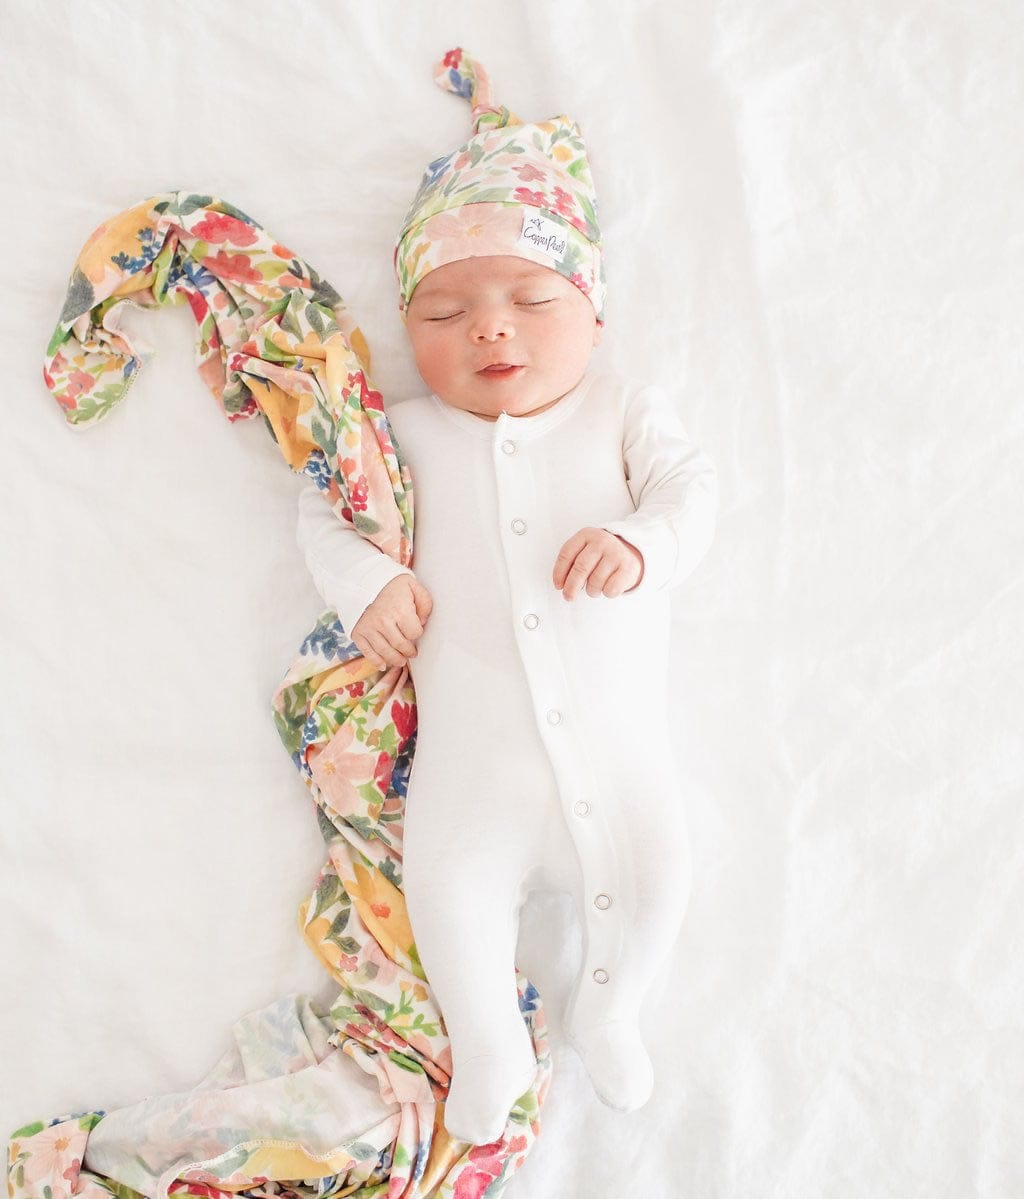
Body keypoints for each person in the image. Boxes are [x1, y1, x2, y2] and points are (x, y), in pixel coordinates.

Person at [295, 47, 719, 1146]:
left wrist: (642, 542)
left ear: (591, 311)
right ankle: (486, 1038)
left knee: (660, 862)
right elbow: (326, 512)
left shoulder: (620, 407)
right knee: (447, 887)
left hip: (621, 749)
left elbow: (690, 490)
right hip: (470, 760)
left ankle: (612, 1004)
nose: (490, 327)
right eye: (443, 311)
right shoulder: (401, 433)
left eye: (531, 298)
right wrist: (371, 581)